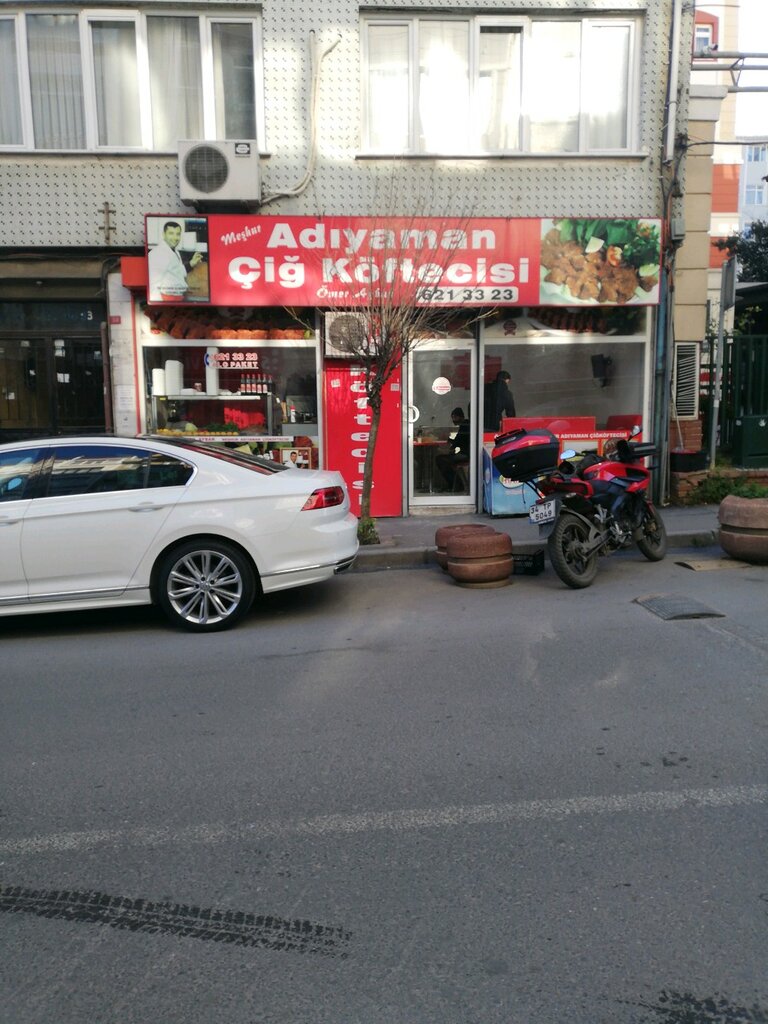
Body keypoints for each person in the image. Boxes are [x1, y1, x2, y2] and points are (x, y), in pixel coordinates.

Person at [148, 221, 204, 302]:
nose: (175, 238)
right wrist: (159, 305)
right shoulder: (158, 253)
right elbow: (153, 284)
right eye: (171, 233)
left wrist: (191, 263)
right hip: (166, 298)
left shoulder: (174, 251)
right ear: (164, 234)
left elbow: (177, 273)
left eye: (178, 234)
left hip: (177, 297)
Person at [435, 407, 470, 491]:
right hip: (466, 453)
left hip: (466, 455)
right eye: (452, 418)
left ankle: (455, 485)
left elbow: (457, 441)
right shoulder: (466, 424)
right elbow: (459, 441)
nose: (453, 420)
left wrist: (449, 441)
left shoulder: (465, 425)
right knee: (445, 459)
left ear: (460, 416)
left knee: (441, 460)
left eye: (454, 417)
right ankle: (456, 484)